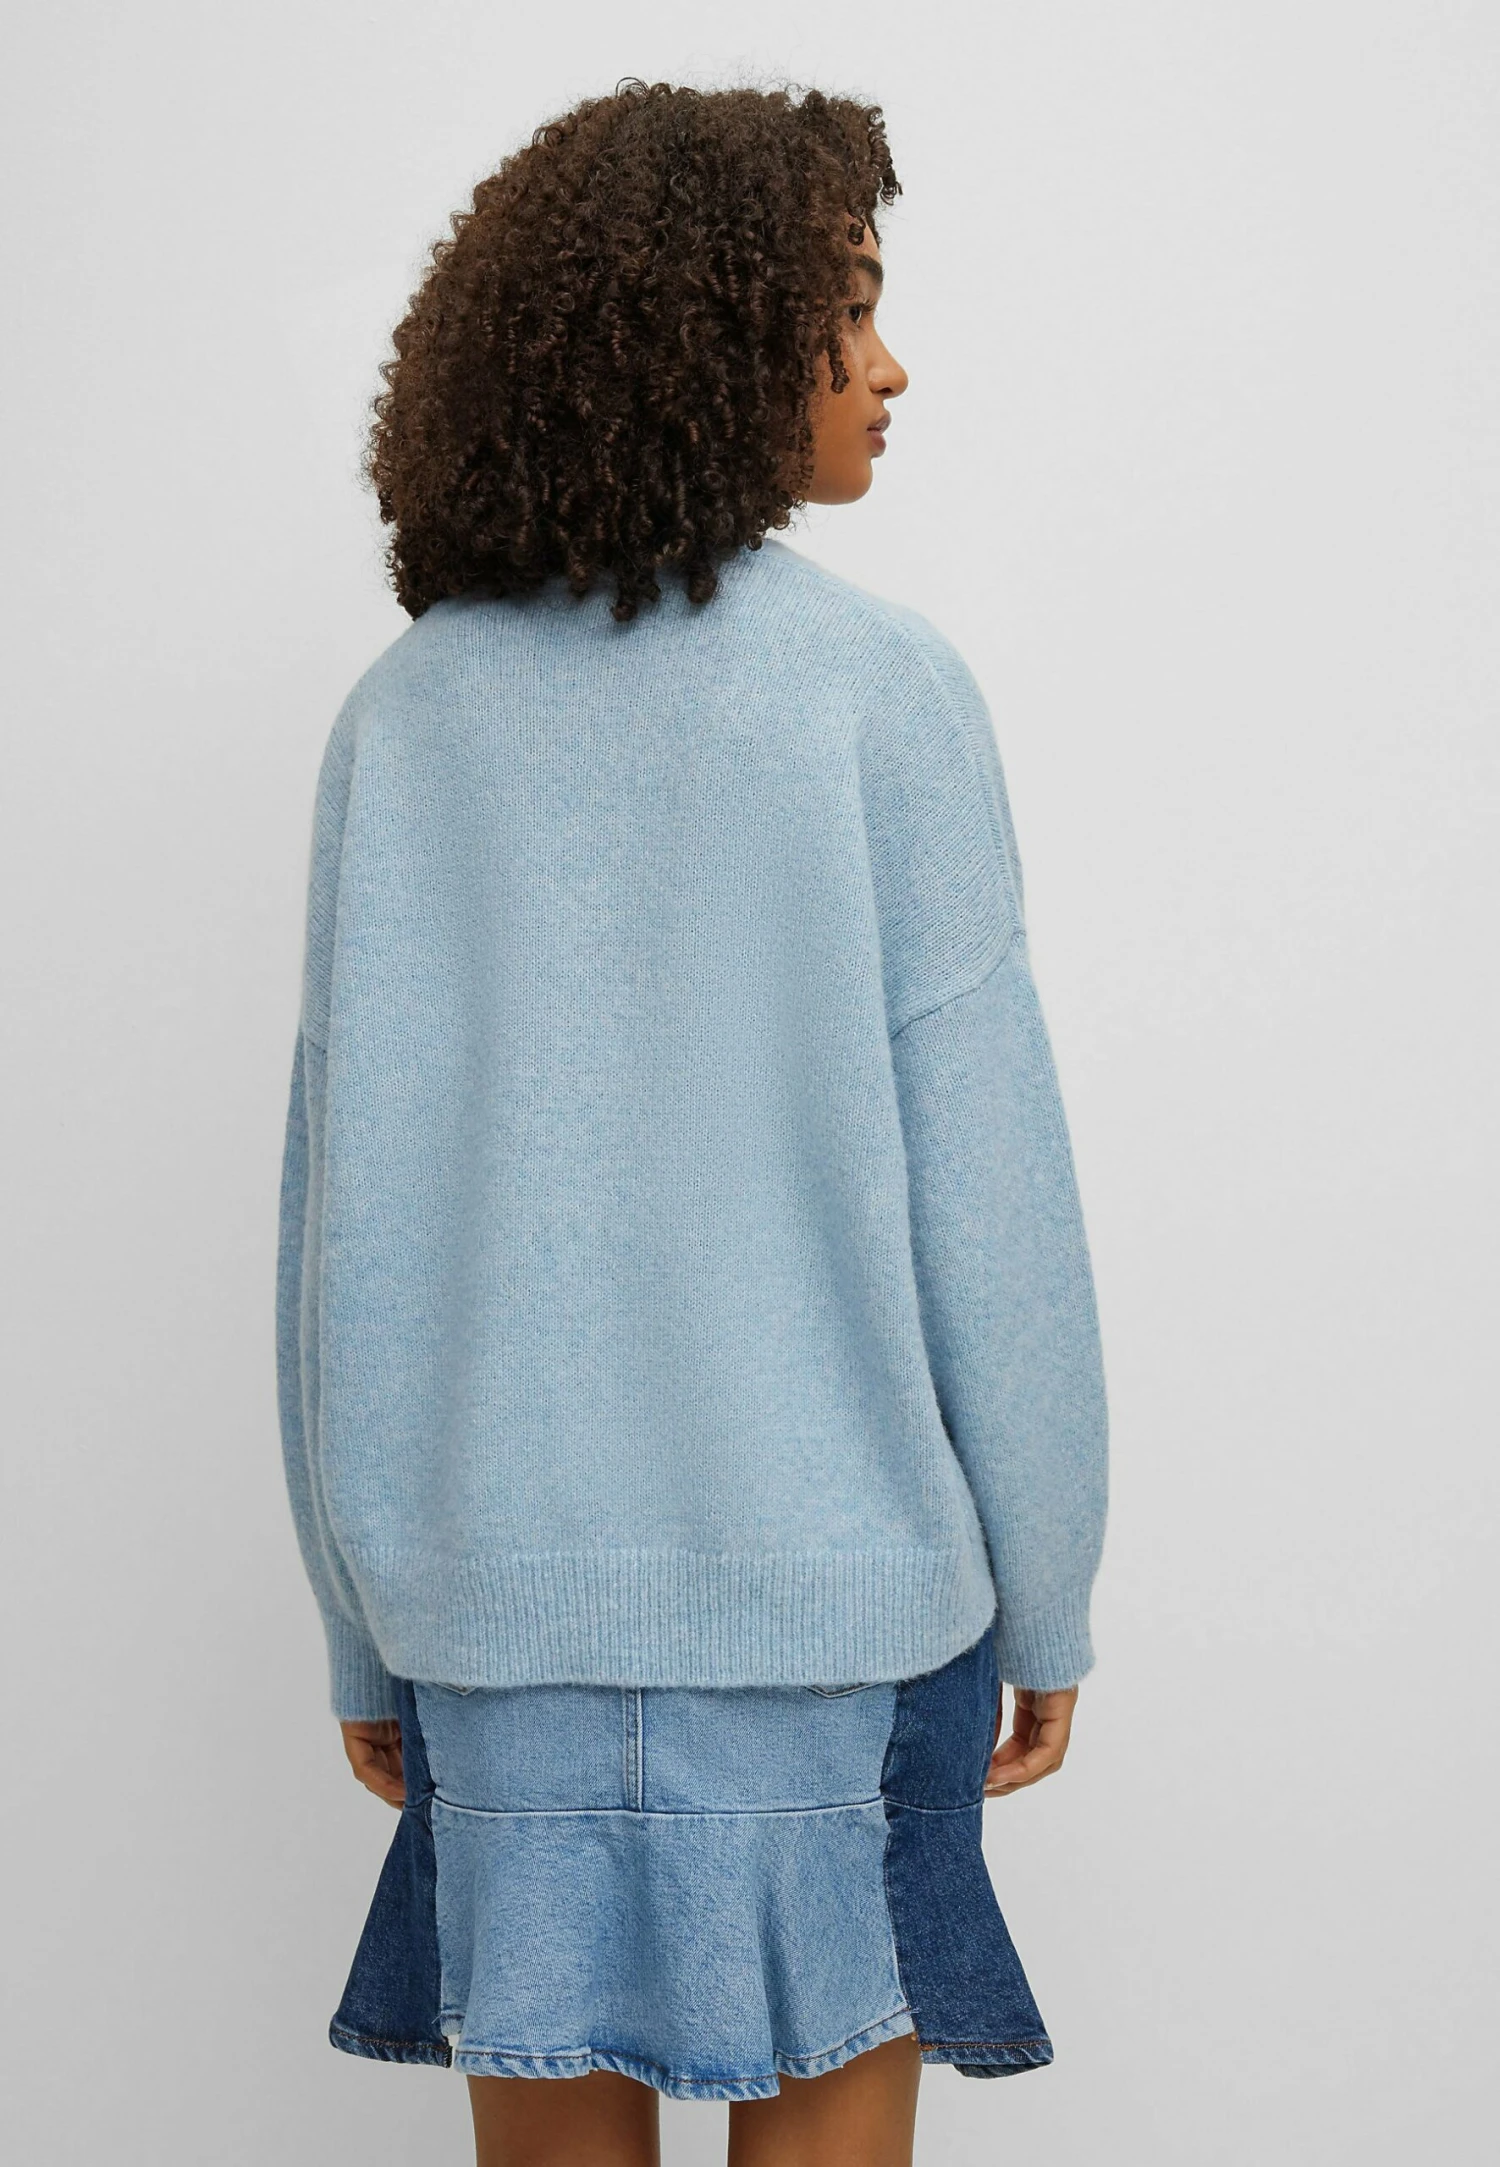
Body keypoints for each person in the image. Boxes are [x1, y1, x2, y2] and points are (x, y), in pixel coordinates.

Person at [276, 78, 1110, 2167]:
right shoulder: (879, 697)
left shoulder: (403, 724)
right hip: (848, 1625)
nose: (891, 365)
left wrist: (362, 1623)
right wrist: (1055, 1582)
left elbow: (339, 1235)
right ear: (721, 340)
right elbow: (996, 1203)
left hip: (497, 1623)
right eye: (853, 309)